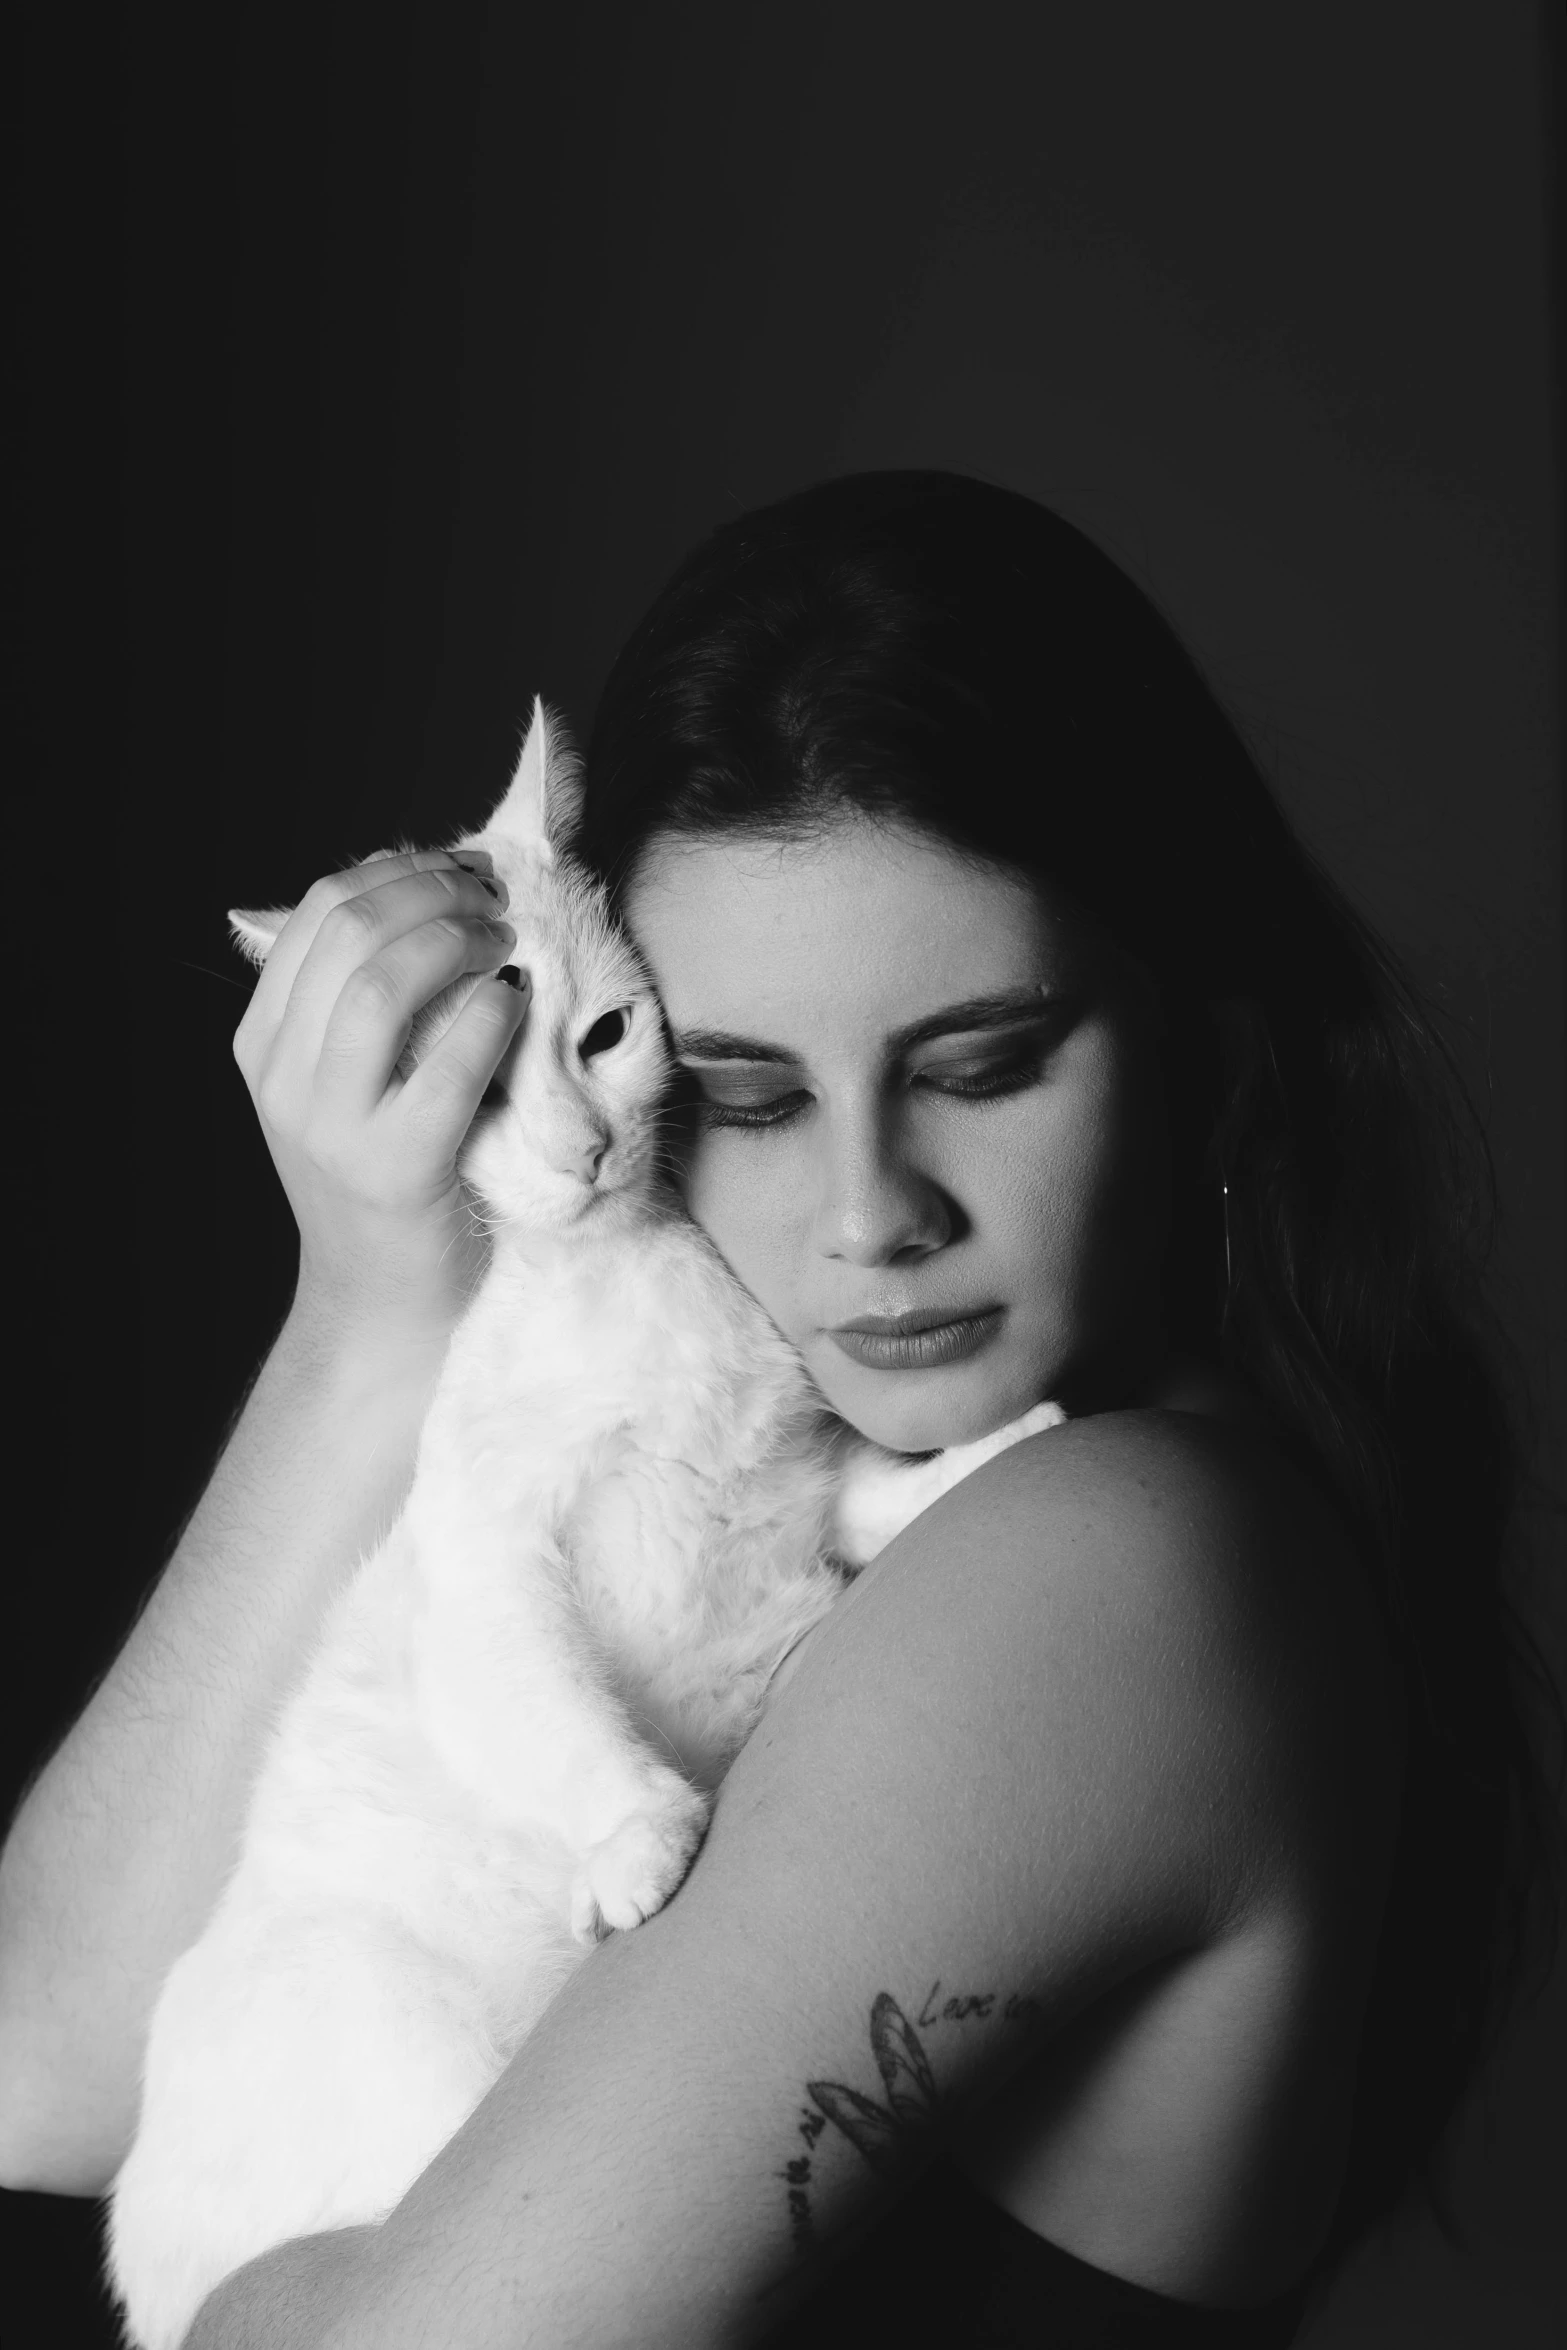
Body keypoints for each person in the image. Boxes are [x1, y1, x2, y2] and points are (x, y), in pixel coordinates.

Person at [0, 471, 1555, 2348]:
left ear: (1203, 1036)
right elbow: (43, 2064)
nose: (866, 1217)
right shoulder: (948, 1496)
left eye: (981, 1064)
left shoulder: (1110, 1557)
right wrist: (374, 1294)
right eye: (746, 1098)